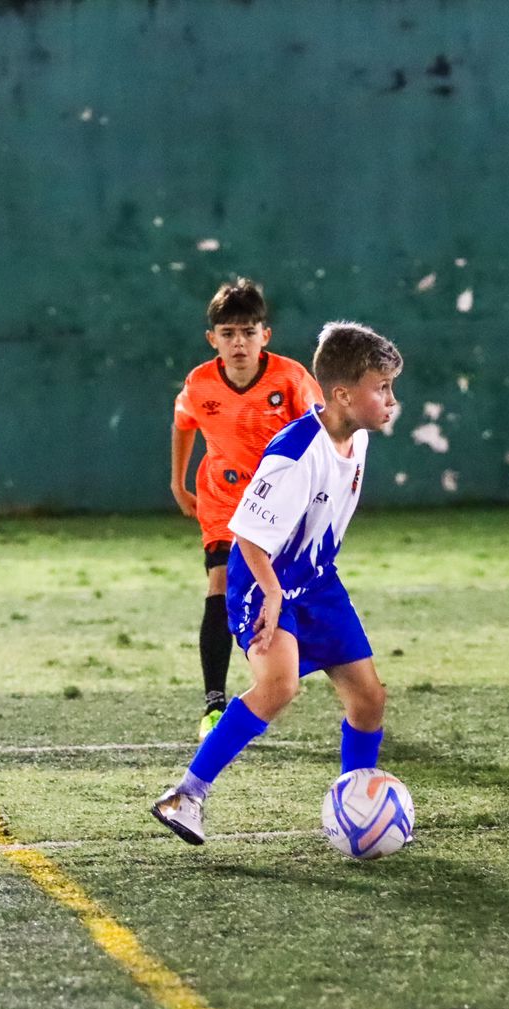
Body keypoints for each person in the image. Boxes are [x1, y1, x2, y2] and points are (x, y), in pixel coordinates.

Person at [152, 321, 402, 845]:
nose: (390, 399)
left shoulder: (355, 438)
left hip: (314, 581)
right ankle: (186, 794)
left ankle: (358, 800)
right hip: (260, 577)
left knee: (369, 699)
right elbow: (246, 534)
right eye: (381, 388)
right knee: (278, 685)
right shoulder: (293, 454)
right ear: (342, 395)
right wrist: (269, 592)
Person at [171, 279, 323, 739]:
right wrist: (178, 483)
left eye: (248, 332)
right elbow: (183, 425)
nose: (239, 342)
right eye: (228, 332)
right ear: (212, 339)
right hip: (222, 503)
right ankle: (214, 703)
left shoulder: (291, 378)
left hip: (282, 510)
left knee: (297, 595)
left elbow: (322, 432)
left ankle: (298, 674)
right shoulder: (199, 384)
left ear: (265, 336)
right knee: (218, 588)